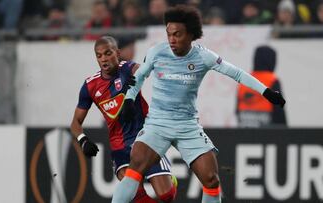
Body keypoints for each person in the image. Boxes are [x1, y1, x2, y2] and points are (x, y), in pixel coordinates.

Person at [112, 5, 285, 203]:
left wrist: (266, 92)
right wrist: (128, 100)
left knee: (211, 180)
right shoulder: (156, 52)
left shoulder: (204, 57)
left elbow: (236, 73)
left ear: (190, 34)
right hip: (157, 124)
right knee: (135, 168)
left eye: (177, 34)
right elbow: (139, 77)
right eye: (169, 34)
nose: (171, 40)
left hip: (188, 126)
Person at [70, 36, 177, 203]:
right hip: (120, 146)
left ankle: (172, 181)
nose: (104, 59)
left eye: (107, 53)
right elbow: (76, 122)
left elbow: (143, 70)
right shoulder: (90, 86)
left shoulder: (127, 69)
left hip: (146, 138)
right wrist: (82, 140)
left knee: (167, 195)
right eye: (99, 56)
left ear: (117, 53)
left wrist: (137, 81)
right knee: (136, 196)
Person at [237, 45, 287, 127]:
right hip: (267, 132)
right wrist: (285, 132)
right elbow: (279, 111)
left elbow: (237, 110)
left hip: (245, 129)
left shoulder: (244, 79)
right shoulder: (272, 80)